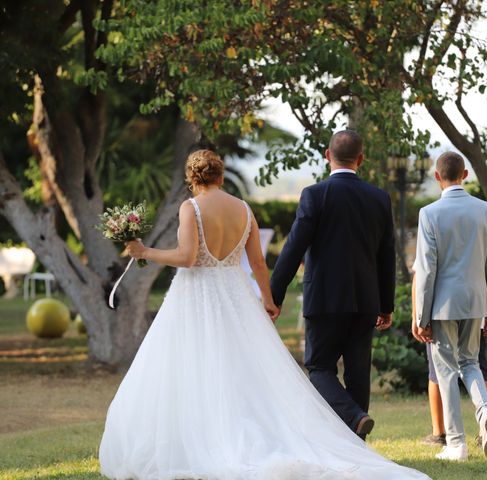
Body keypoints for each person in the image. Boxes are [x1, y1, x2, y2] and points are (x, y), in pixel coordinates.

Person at [99, 149, 430, 480]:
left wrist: (145, 252)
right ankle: (338, 429)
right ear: (220, 174)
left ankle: (203, 437)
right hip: (235, 295)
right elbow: (258, 262)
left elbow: (187, 257)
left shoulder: (191, 207)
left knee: (192, 367)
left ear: (192, 177)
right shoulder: (243, 209)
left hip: (197, 297)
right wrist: (268, 299)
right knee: (243, 370)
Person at [270, 130, 396, 440]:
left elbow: (292, 249)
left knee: (319, 367)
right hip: (366, 301)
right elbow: (386, 255)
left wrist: (272, 295)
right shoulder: (379, 197)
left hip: (324, 299)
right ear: (361, 159)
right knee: (357, 374)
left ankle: (354, 417)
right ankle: (358, 444)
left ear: (327, 156)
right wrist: (386, 304)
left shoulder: (315, 195)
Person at [412, 151, 487, 462]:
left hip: (442, 305)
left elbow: (426, 269)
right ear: (465, 174)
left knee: (447, 371)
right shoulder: (485, 210)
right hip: (477, 301)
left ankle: (456, 444)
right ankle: (485, 410)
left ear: (437, 177)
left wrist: (421, 316)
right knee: (471, 363)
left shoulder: (429, 213)